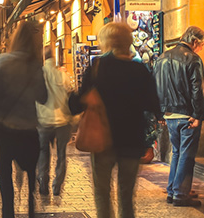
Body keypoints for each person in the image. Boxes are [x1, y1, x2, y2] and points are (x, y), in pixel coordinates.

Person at [69, 23, 162, 218]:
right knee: (126, 194)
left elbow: (77, 105)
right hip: (131, 140)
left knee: (102, 191)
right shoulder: (140, 70)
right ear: (128, 41)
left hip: (103, 139)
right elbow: (152, 105)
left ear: (106, 42)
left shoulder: (98, 67)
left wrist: (72, 97)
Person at [0, 21, 47, 218]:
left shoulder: (2, 61)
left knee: (6, 185)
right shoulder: (35, 64)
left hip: (5, 134)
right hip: (29, 132)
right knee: (30, 186)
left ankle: (8, 214)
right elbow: (43, 97)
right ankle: (30, 212)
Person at [153, 26, 204, 207]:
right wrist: (198, 114)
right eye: (201, 45)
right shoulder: (193, 59)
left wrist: (158, 113)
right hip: (187, 115)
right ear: (194, 42)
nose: (200, 49)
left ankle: (172, 191)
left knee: (176, 152)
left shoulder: (161, 58)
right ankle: (180, 194)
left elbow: (155, 88)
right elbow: (197, 89)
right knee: (186, 154)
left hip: (169, 115)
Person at [36, 45, 73, 204]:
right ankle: (57, 185)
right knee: (61, 155)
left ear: (43, 57)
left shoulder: (39, 75)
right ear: (54, 57)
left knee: (43, 153)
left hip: (43, 121)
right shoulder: (62, 74)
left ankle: (43, 182)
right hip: (63, 120)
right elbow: (71, 92)